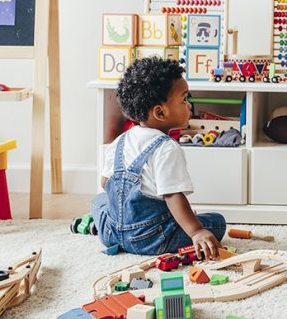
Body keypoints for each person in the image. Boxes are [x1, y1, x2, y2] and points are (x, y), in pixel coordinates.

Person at [89, 57, 226, 257]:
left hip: (113, 233)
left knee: (99, 200)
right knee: (216, 222)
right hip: (152, 238)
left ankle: (100, 227)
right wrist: (196, 231)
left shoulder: (120, 141)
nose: (189, 106)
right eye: (184, 99)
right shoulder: (166, 148)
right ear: (160, 112)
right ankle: (188, 227)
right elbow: (173, 195)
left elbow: (105, 183)